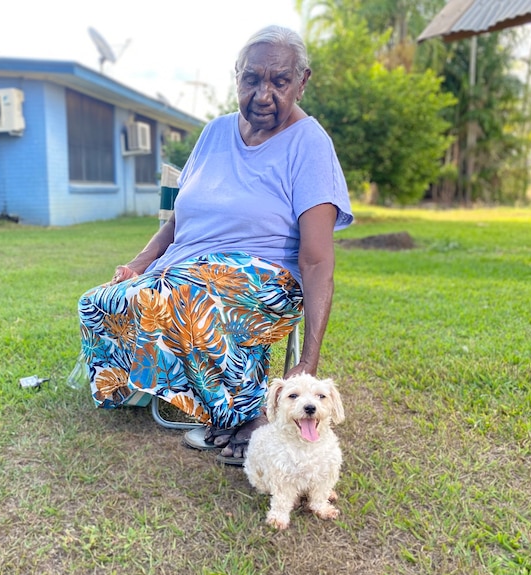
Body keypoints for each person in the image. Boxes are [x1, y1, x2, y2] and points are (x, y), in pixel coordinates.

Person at [77, 25, 353, 466]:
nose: (264, 94)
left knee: (187, 295)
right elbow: (178, 216)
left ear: (302, 82)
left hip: (265, 277)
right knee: (99, 301)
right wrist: (141, 260)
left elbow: (318, 260)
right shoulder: (214, 132)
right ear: (237, 77)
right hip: (186, 267)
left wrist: (307, 362)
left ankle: (247, 412)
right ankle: (175, 392)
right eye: (251, 79)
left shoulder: (310, 144)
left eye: (280, 81)